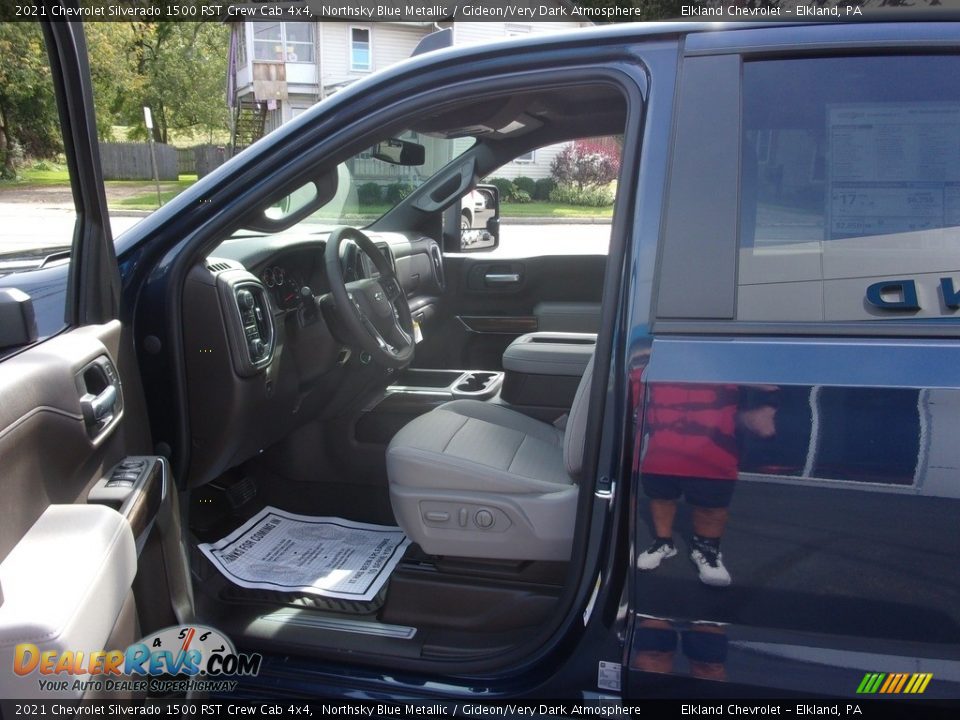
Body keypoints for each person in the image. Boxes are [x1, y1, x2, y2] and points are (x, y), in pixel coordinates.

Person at [636, 383, 777, 586]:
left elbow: (769, 386)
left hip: (713, 453)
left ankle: (706, 550)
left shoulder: (726, 360)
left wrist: (766, 409)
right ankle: (663, 542)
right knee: (660, 498)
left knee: (711, 508)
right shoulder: (660, 357)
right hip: (662, 450)